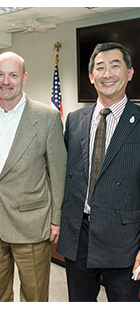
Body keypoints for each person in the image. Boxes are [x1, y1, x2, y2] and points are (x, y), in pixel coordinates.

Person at [0, 51, 67, 302]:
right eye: (0, 74)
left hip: (32, 222)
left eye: (13, 74)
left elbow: (58, 172)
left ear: (24, 78)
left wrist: (56, 219)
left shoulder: (47, 117)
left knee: (34, 296)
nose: (6, 81)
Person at [57, 42, 140, 302]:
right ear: (91, 77)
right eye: (100, 68)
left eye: (115, 66)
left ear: (129, 72)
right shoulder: (74, 119)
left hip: (124, 240)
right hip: (78, 236)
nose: (108, 74)